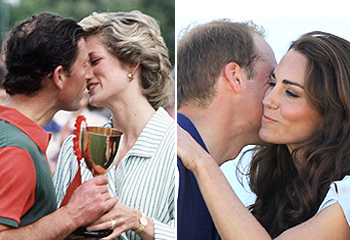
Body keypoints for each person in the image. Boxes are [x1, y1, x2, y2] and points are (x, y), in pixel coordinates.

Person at [177, 31, 350, 239]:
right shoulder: (280, 187)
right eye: (272, 83)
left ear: (333, 113)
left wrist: (201, 161)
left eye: (291, 93)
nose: (269, 100)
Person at [53, 11, 175, 240]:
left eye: (95, 61)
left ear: (132, 62)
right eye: (81, 64)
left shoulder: (180, 148)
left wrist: (140, 223)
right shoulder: (75, 146)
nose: (84, 74)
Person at [0, 13, 117, 239]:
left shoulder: (16, 136)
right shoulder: (17, 151)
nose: (89, 75)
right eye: (84, 64)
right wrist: (72, 215)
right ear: (60, 76)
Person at [176, 19, 276, 239]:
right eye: (271, 81)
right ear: (235, 77)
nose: (277, 97)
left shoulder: (204, 176)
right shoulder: (173, 163)